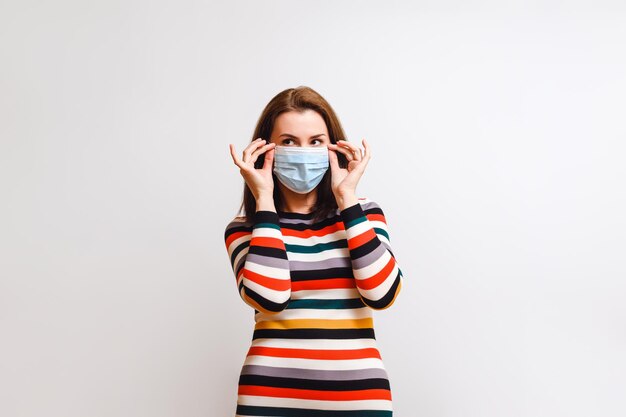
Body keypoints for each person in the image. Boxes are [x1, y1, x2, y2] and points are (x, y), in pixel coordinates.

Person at [223, 86, 404, 416]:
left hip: (359, 398)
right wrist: (263, 201)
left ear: (333, 147)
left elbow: (382, 294)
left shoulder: (365, 214)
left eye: (316, 141)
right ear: (266, 149)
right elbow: (270, 298)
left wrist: (347, 199)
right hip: (269, 398)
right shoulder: (245, 227)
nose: (303, 151)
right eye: (289, 141)